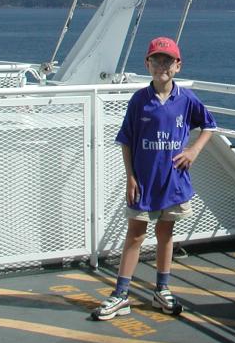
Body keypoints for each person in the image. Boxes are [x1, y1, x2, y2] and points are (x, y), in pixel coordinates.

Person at [92, 36, 217, 320]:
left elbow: (209, 125)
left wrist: (194, 151)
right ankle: (121, 294)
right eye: (156, 60)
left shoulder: (186, 100)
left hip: (173, 181)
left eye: (168, 61)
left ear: (178, 66)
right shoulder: (139, 100)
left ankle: (162, 289)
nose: (162, 65)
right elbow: (126, 139)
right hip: (144, 182)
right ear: (147, 64)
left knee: (166, 233)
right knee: (135, 233)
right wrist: (130, 177)